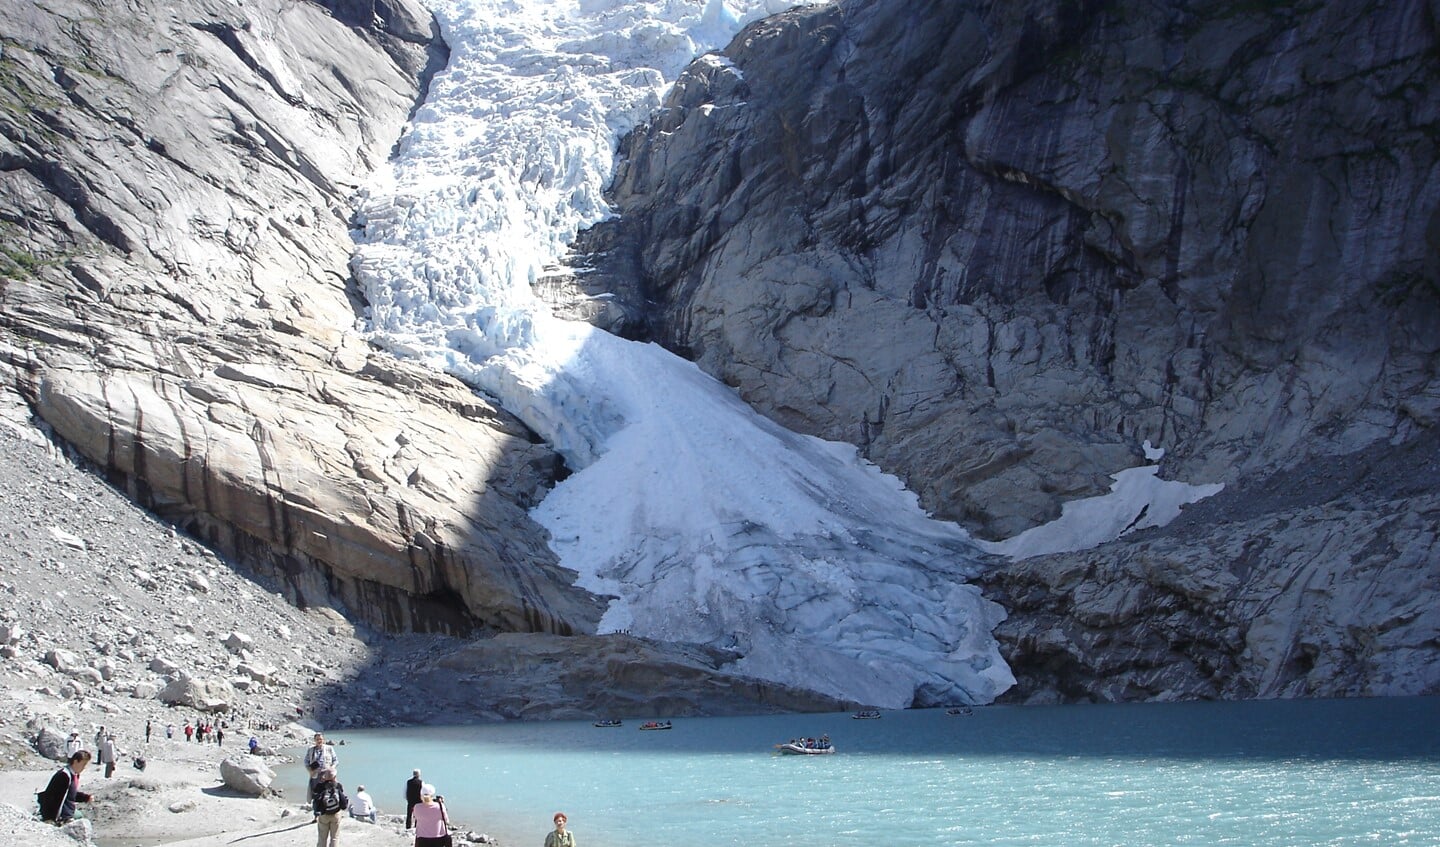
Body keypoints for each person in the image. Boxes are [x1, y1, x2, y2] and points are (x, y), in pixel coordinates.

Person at [38, 751, 93, 824]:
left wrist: (85, 797)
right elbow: (54, 798)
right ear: (76, 762)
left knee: (79, 816)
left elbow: (70, 795)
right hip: (60, 816)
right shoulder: (64, 776)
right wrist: (51, 818)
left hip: (68, 811)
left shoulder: (74, 775)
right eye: (83, 764)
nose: (84, 768)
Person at [311, 767, 347, 847]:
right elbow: (343, 802)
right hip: (336, 814)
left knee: (322, 838)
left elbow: (315, 798)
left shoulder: (319, 786)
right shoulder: (338, 786)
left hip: (323, 814)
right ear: (334, 777)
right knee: (334, 838)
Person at [304, 733, 338, 801]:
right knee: (316, 794)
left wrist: (332, 769)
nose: (319, 741)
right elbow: (306, 761)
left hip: (327, 775)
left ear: (323, 740)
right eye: (317, 739)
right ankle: (317, 809)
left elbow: (335, 761)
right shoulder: (311, 750)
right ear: (314, 740)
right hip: (315, 776)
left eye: (321, 739)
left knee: (329, 793)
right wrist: (310, 771)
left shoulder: (329, 748)